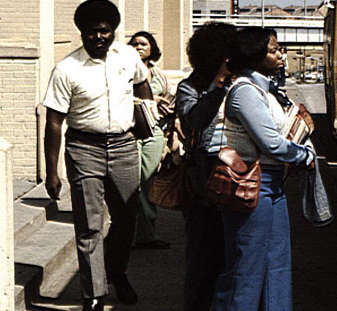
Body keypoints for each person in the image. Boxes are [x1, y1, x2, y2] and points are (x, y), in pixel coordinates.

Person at [42, 0, 152, 311]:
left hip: (124, 146)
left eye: (105, 31)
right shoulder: (67, 69)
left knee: (127, 217)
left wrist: (148, 115)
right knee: (89, 224)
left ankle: (117, 272)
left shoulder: (128, 57)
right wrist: (52, 172)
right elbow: (53, 121)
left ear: (114, 31)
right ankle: (93, 293)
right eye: (92, 32)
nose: (99, 37)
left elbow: (143, 87)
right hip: (83, 147)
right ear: (81, 32)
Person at [213, 27, 315, 310]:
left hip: (274, 185)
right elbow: (270, 142)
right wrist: (303, 156)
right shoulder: (245, 91)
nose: (281, 54)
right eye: (273, 50)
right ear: (255, 56)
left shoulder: (266, 90)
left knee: (277, 263)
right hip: (252, 184)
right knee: (247, 267)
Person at [175, 22, 237, 311]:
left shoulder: (241, 84)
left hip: (237, 181)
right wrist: (216, 87)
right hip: (202, 184)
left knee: (233, 259)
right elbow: (195, 120)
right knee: (202, 262)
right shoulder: (190, 87)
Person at [127, 31, 172, 250]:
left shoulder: (159, 74)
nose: (138, 47)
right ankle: (139, 233)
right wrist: (151, 99)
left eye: (143, 44)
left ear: (152, 48)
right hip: (132, 131)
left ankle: (147, 230)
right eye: (134, 43)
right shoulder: (124, 72)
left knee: (149, 179)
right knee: (133, 181)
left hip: (155, 131)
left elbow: (170, 101)